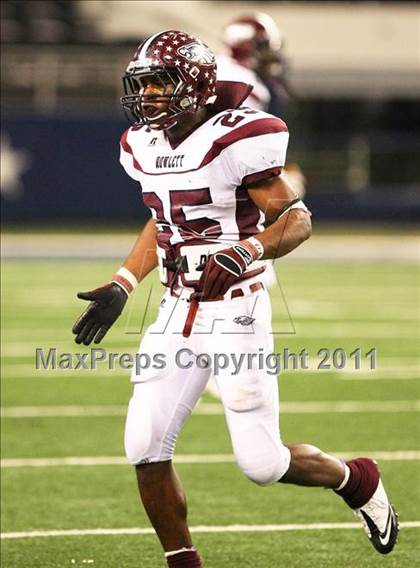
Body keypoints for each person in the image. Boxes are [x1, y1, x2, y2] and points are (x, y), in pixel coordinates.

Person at [72, 30, 398, 567]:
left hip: (237, 309)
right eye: (144, 84)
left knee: (261, 464)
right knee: (144, 446)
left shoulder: (236, 138)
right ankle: (184, 562)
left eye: (161, 84)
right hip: (176, 308)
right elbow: (165, 219)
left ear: (195, 87)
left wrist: (246, 251)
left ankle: (355, 477)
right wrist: (124, 283)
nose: (149, 95)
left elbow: (296, 219)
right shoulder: (142, 144)